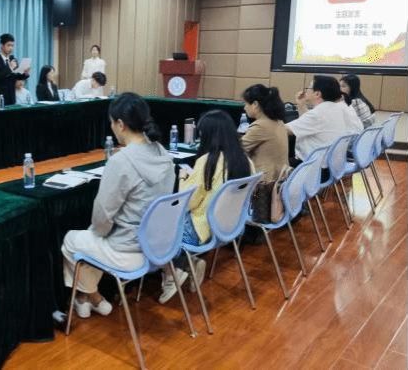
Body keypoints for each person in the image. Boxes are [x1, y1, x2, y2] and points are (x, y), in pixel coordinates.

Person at [62, 93, 175, 319]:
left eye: (112, 123)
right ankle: (87, 299)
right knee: (92, 239)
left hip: (128, 251)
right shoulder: (163, 153)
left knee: (73, 240)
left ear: (120, 124)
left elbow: (101, 218)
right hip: (158, 246)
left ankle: (91, 296)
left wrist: (99, 231)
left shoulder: (121, 161)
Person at [160, 110, 253, 304]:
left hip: (201, 230)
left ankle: (174, 271)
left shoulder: (208, 161)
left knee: (158, 229)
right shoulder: (246, 161)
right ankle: (190, 263)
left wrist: (183, 178)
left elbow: (188, 202)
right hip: (231, 227)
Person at [286, 75, 363, 165]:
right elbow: (308, 123)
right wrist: (301, 105)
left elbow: (285, 130)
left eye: (309, 88)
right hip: (332, 165)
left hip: (311, 167)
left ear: (317, 94)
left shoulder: (318, 114)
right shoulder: (337, 107)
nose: (306, 90)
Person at [241, 84, 289, 182]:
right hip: (281, 179)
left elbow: (236, 149)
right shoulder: (279, 122)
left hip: (264, 183)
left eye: (246, 104)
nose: (244, 108)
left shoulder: (260, 126)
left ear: (255, 104)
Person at [0, 33, 30, 105]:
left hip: (12, 97)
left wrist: (25, 73)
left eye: (12, 46)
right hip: (0, 97)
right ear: (2, 45)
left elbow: (18, 77)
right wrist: (10, 68)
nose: (11, 48)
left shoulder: (13, 59)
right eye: (8, 45)